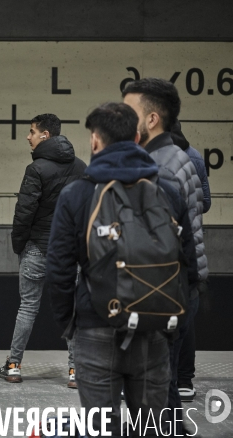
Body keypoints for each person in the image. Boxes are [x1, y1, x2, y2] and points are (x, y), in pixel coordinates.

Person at [47, 102, 198, 436]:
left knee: (101, 429)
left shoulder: (77, 195)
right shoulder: (167, 193)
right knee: (150, 429)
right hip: (155, 331)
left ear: (95, 142)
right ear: (136, 137)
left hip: (96, 328)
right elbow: (188, 267)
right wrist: (171, 326)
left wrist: (72, 324)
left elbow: (58, 268)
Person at [123, 78, 206, 430]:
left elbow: (158, 246)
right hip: (179, 289)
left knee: (153, 391)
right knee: (164, 389)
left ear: (152, 118)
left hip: (161, 294)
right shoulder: (182, 156)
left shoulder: (160, 168)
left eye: (129, 112)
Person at [0, 113, 86, 387]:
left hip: (37, 248)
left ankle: (13, 366)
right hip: (69, 252)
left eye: (32, 131)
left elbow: (24, 213)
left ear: (45, 136)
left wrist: (19, 243)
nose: (28, 136)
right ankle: (75, 372)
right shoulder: (81, 167)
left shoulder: (35, 170)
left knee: (27, 307)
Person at [171, 119, 211, 401]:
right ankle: (184, 380)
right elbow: (205, 201)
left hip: (164, 250)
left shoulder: (153, 158)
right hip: (191, 248)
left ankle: (169, 380)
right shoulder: (194, 156)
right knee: (186, 317)